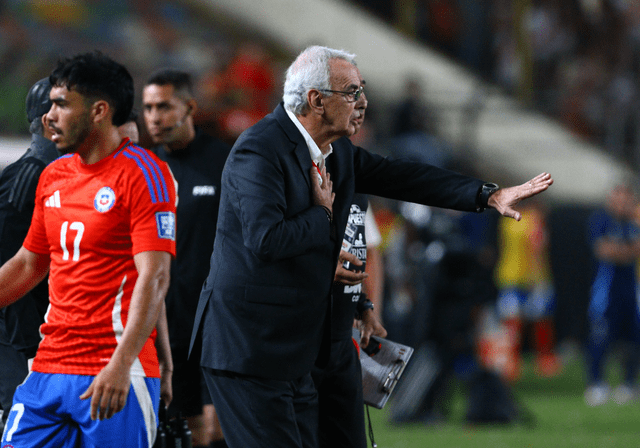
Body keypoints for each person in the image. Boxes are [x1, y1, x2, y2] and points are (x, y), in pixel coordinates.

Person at [189, 45, 553, 448]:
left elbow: (405, 177)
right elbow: (267, 240)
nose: (363, 103)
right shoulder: (258, 151)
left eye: (361, 90)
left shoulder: (337, 151)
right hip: (249, 351)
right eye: (351, 93)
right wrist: (322, 214)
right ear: (316, 100)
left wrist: (487, 196)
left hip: (303, 350)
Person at [0, 51, 177, 448]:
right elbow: (29, 264)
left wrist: (123, 363)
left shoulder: (144, 173)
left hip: (112, 368)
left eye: (62, 104)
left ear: (99, 110)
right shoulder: (54, 175)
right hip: (48, 366)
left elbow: (155, 275)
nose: (50, 116)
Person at [142, 68, 231, 448]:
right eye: (147, 108)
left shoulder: (226, 161)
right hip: (167, 323)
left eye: (163, 106)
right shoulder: (143, 167)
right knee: (187, 430)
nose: (154, 117)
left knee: (217, 429)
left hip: (219, 321)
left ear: (189, 106)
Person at [0, 77, 59, 428]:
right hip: (21, 341)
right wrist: (26, 345)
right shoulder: (29, 177)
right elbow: (10, 265)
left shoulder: (64, 175)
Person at [311, 193, 386, 448]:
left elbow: (368, 253)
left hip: (342, 336)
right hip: (301, 335)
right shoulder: (293, 176)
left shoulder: (355, 187)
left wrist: (366, 307)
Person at [584, 184, 640, 406]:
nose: (623, 203)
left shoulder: (634, 222)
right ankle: (596, 384)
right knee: (600, 337)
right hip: (605, 292)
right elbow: (602, 250)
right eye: (619, 198)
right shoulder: (600, 220)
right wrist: (626, 251)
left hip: (631, 291)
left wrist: (619, 251)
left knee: (633, 340)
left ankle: (628, 384)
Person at [494, 199, 561, 381]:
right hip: (525, 277)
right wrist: (535, 274)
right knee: (525, 320)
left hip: (513, 276)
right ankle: (537, 359)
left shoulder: (505, 217)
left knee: (530, 320)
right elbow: (537, 247)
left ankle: (520, 361)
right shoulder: (532, 218)